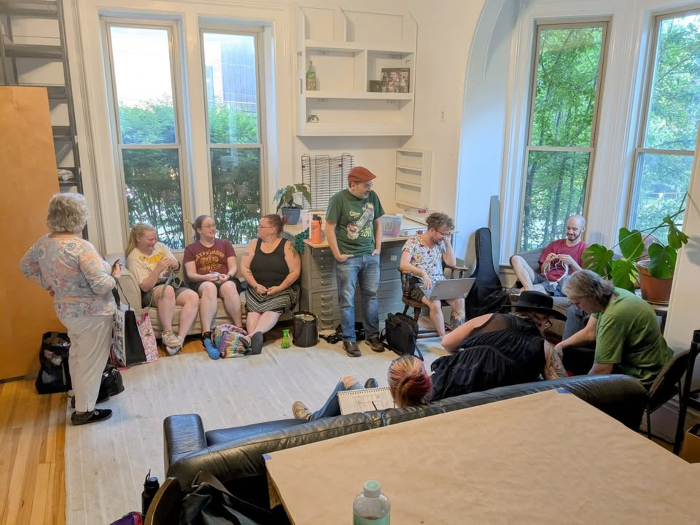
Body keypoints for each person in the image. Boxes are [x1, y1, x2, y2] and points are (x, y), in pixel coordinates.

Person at [20, 194, 119, 425]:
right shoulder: (81, 247)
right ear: (79, 217)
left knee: (78, 355)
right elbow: (101, 286)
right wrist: (115, 276)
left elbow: (25, 266)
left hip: (66, 311)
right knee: (91, 361)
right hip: (93, 313)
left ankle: (79, 395)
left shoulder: (44, 243)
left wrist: (50, 285)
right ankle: (85, 411)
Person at [434, 291, 568, 400]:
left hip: (452, 387)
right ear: (542, 319)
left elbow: (447, 342)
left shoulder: (489, 318)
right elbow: (563, 387)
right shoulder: (545, 346)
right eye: (547, 322)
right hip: (503, 403)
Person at [555, 270, 672, 387]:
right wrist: (561, 345)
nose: (577, 307)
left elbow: (601, 370)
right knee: (567, 352)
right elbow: (590, 332)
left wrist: (577, 390)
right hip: (654, 363)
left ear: (591, 295)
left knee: (573, 372)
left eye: (578, 303)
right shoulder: (613, 294)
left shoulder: (613, 316)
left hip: (641, 376)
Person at [325, 166, 385, 357]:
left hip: (370, 256)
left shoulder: (372, 197)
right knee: (347, 300)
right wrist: (337, 254)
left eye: (370, 184)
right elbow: (329, 228)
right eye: (366, 185)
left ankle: (372, 336)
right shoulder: (338, 199)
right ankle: (349, 339)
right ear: (353, 184)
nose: (369, 188)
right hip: (348, 258)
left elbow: (378, 222)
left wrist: (378, 248)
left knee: (372, 297)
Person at [125, 223, 199, 355]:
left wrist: (175, 265)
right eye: (150, 239)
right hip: (151, 290)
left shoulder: (161, 247)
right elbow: (145, 286)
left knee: (193, 297)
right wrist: (158, 268)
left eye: (155, 238)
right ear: (138, 238)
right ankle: (167, 333)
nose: (154, 242)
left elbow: (176, 271)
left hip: (171, 283)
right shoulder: (134, 257)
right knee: (167, 290)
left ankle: (180, 339)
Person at [291, 355, 432, 421]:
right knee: (370, 384)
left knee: (346, 382)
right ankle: (368, 390)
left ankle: (311, 419)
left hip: (374, 414)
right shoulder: (437, 407)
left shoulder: (385, 419)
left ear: (391, 390)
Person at [240, 214, 301, 354]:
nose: (258, 228)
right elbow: (244, 267)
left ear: (272, 229)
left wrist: (279, 288)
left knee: (272, 309)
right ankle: (254, 338)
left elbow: (295, 272)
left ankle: (249, 337)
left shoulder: (287, 246)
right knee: (253, 311)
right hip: (257, 288)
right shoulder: (253, 244)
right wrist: (255, 285)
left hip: (281, 289)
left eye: (261, 226)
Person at [184, 215, 243, 359]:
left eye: (214, 225)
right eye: (208, 226)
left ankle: (239, 329)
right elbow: (191, 274)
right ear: (199, 230)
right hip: (202, 281)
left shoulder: (225, 243)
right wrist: (206, 277)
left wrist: (227, 276)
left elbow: (233, 267)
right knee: (209, 288)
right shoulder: (191, 249)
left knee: (229, 287)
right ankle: (206, 336)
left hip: (224, 278)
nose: (212, 228)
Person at [399, 212, 465, 336]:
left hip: (439, 282)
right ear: (432, 230)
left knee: (460, 300)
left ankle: (456, 336)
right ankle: (444, 338)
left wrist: (448, 244)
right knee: (435, 302)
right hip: (419, 282)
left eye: (447, 234)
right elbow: (403, 264)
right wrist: (422, 273)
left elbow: (451, 263)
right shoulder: (413, 242)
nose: (444, 237)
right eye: (443, 234)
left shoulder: (441, 244)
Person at [510, 215, 587, 296]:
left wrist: (572, 263)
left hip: (557, 284)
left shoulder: (585, 249)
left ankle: (527, 291)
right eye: (568, 228)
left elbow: (586, 277)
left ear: (583, 229)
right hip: (543, 278)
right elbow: (543, 271)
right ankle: (529, 290)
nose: (570, 232)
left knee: (523, 290)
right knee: (515, 258)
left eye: (574, 229)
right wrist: (547, 261)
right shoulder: (555, 244)